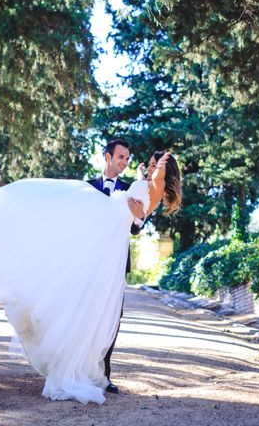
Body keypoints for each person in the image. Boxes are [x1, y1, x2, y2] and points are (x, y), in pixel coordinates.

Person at [0, 150, 182, 404]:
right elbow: (140, 198)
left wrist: (162, 161)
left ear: (163, 168)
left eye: (153, 164)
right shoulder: (146, 183)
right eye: (148, 163)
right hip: (104, 238)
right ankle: (74, 361)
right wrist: (140, 181)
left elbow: (140, 211)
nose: (148, 166)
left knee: (97, 310)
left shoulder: (156, 180)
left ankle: (89, 369)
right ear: (108, 156)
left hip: (110, 238)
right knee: (77, 291)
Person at [86, 139, 146, 394]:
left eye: (127, 159)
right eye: (121, 157)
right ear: (108, 157)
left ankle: (104, 376)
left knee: (112, 318)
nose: (124, 163)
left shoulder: (129, 189)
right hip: (88, 264)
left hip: (116, 265)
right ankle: (80, 368)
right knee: (86, 317)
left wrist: (140, 215)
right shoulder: (86, 188)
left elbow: (135, 228)